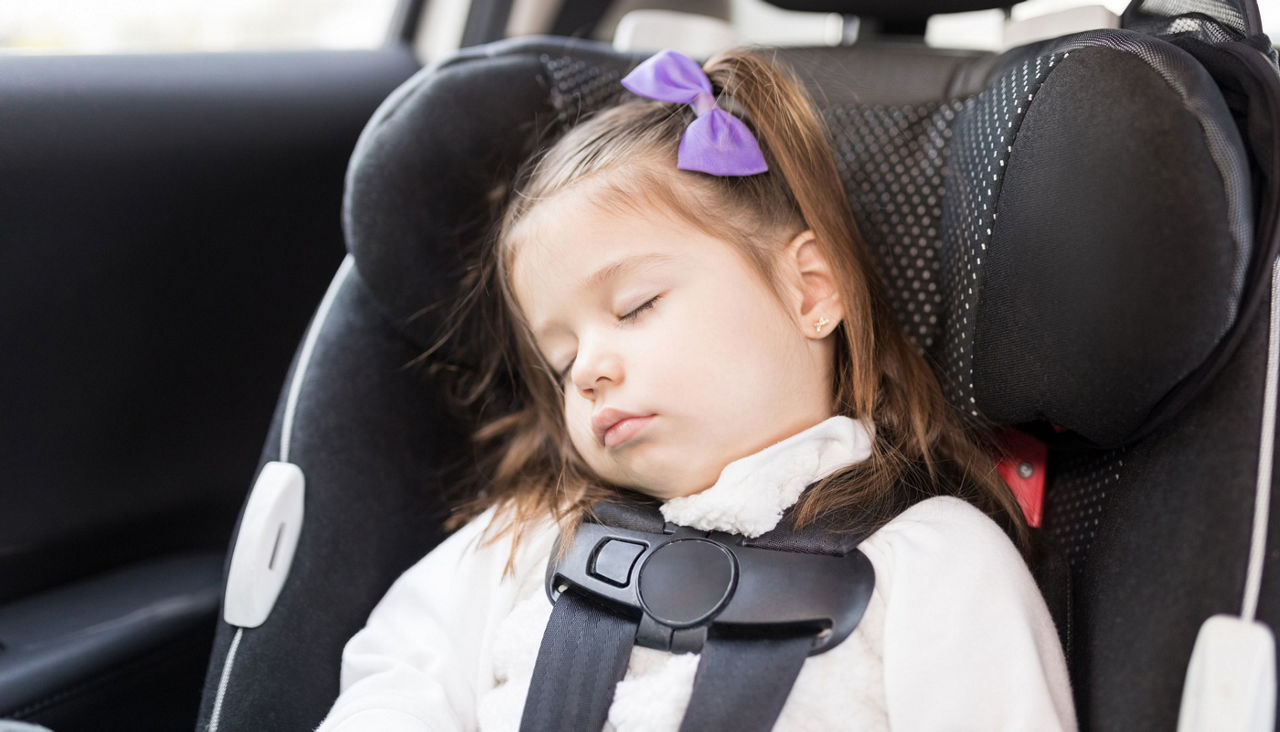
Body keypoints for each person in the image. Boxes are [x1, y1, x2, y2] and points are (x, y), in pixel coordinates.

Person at [317, 47, 1076, 731]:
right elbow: (394, 683)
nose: (587, 371)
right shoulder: (532, 540)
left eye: (636, 306)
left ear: (809, 289)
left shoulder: (932, 561)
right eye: (559, 358)